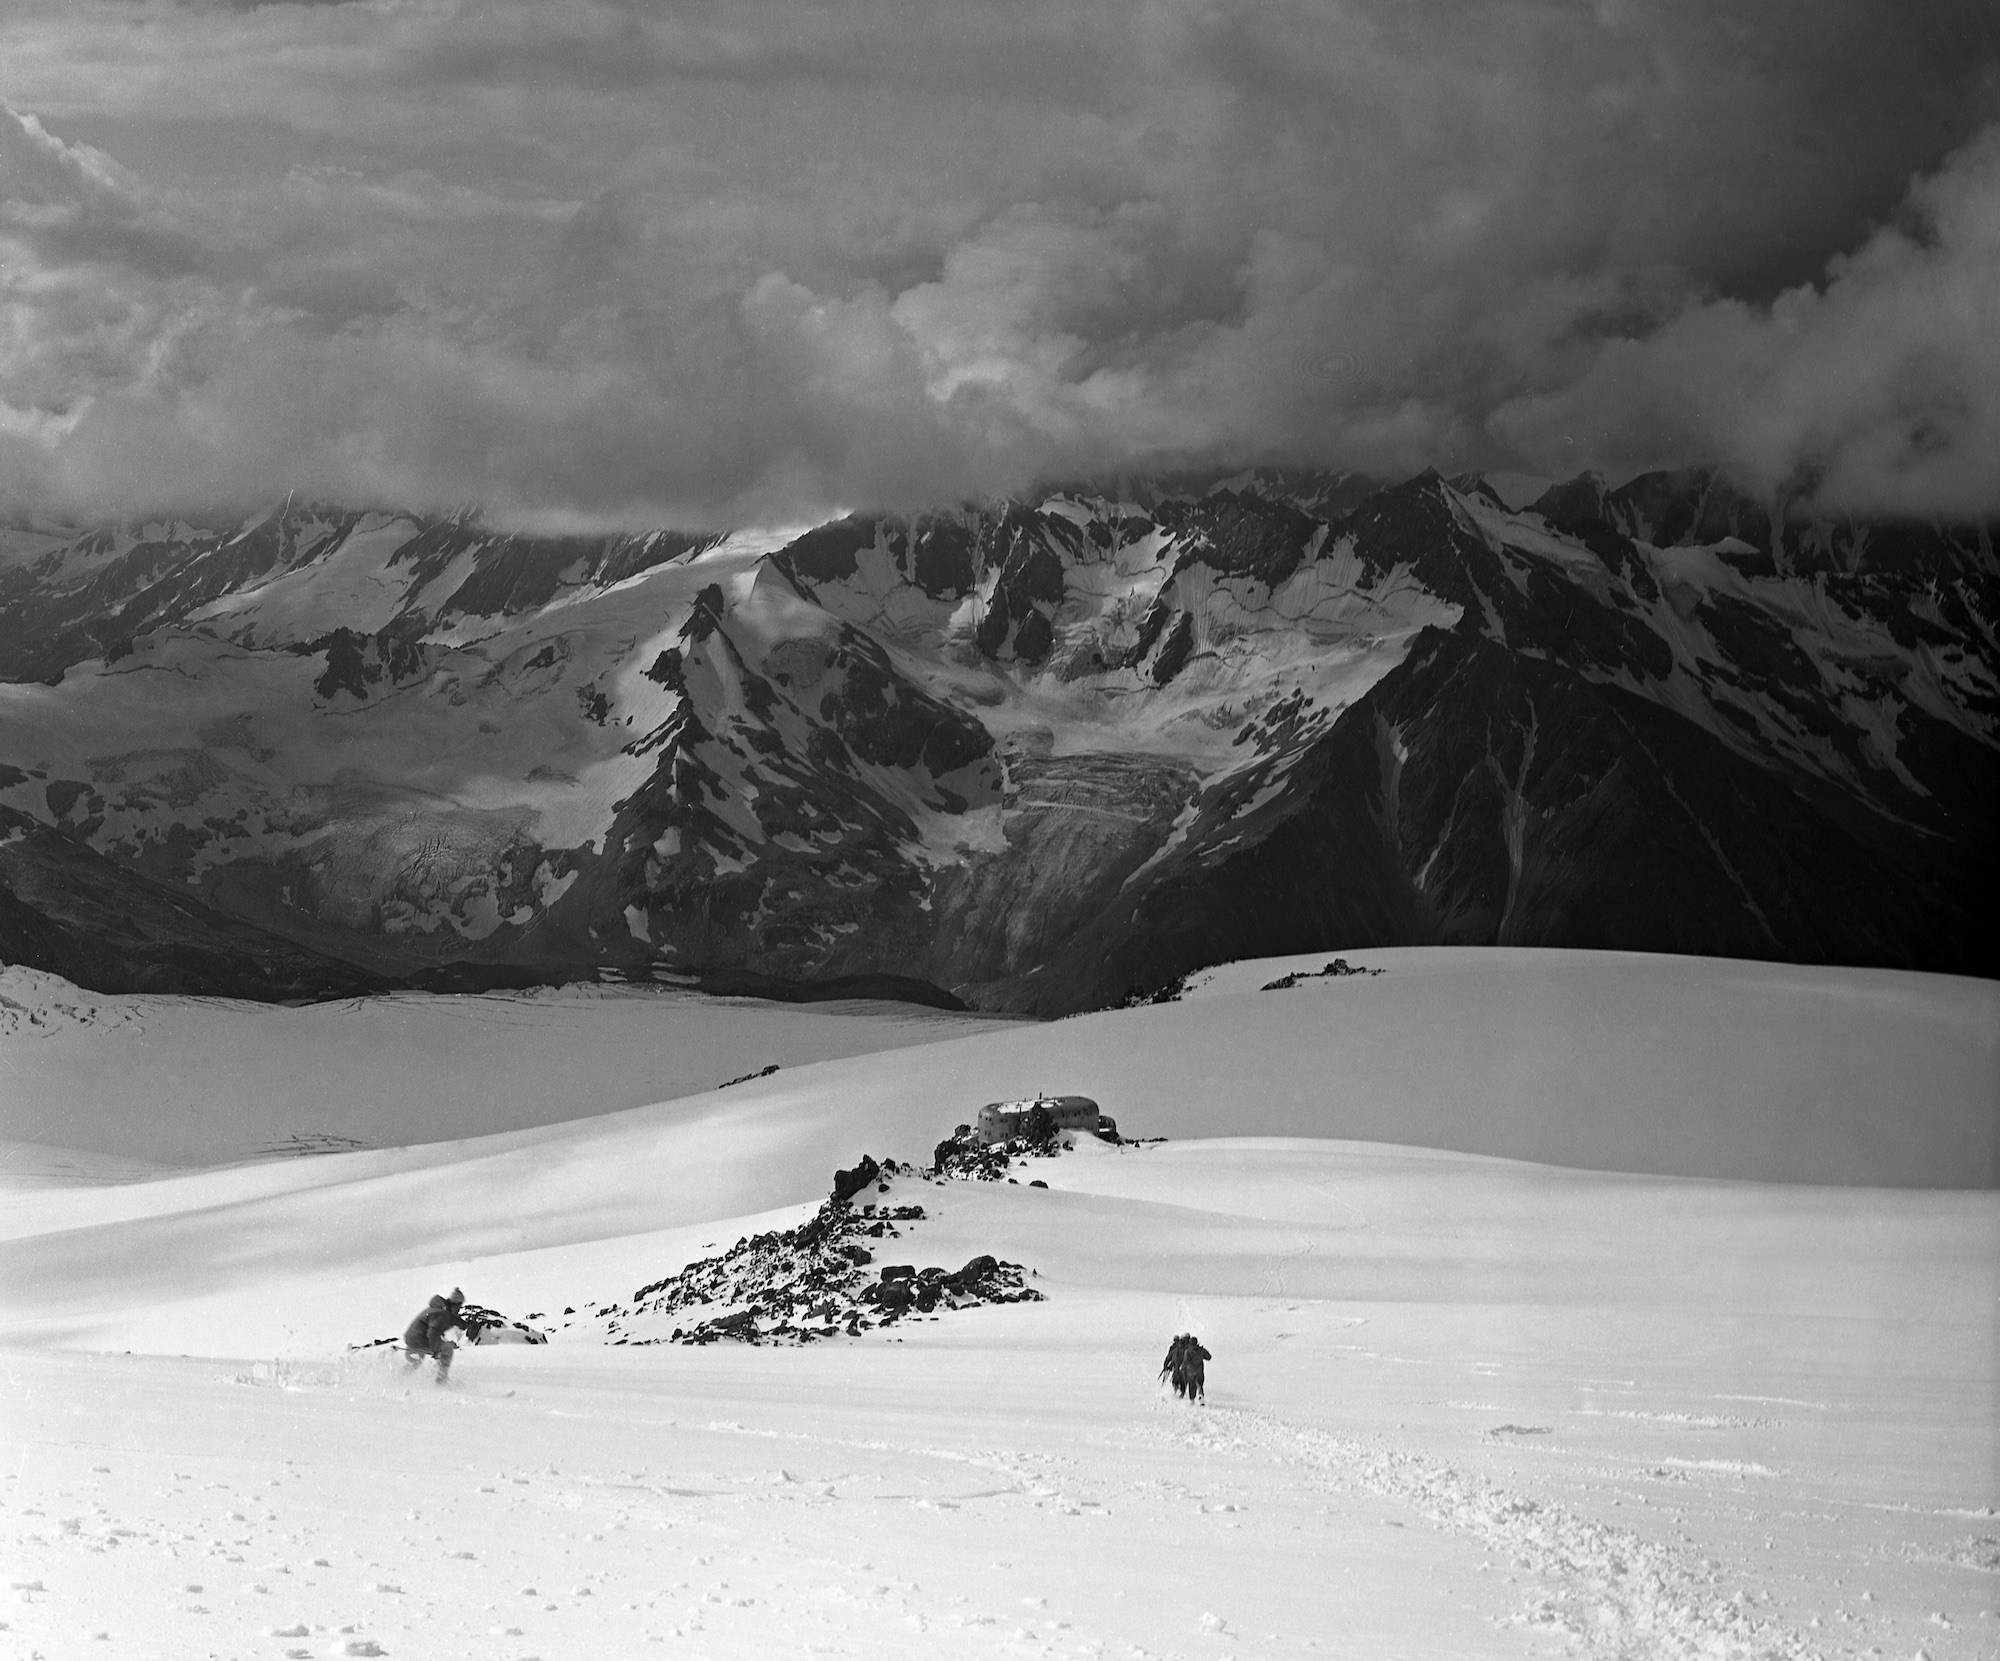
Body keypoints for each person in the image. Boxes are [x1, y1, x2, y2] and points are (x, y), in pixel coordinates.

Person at [403, 1288, 465, 1381]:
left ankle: (397, 1377)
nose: (460, 1309)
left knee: (415, 1362)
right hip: (419, 1340)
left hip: (413, 1339)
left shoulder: (438, 1309)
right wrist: (437, 1350)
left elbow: (437, 1328)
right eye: (460, 1305)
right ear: (454, 1303)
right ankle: (441, 1380)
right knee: (447, 1349)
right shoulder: (442, 1313)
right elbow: (433, 1333)